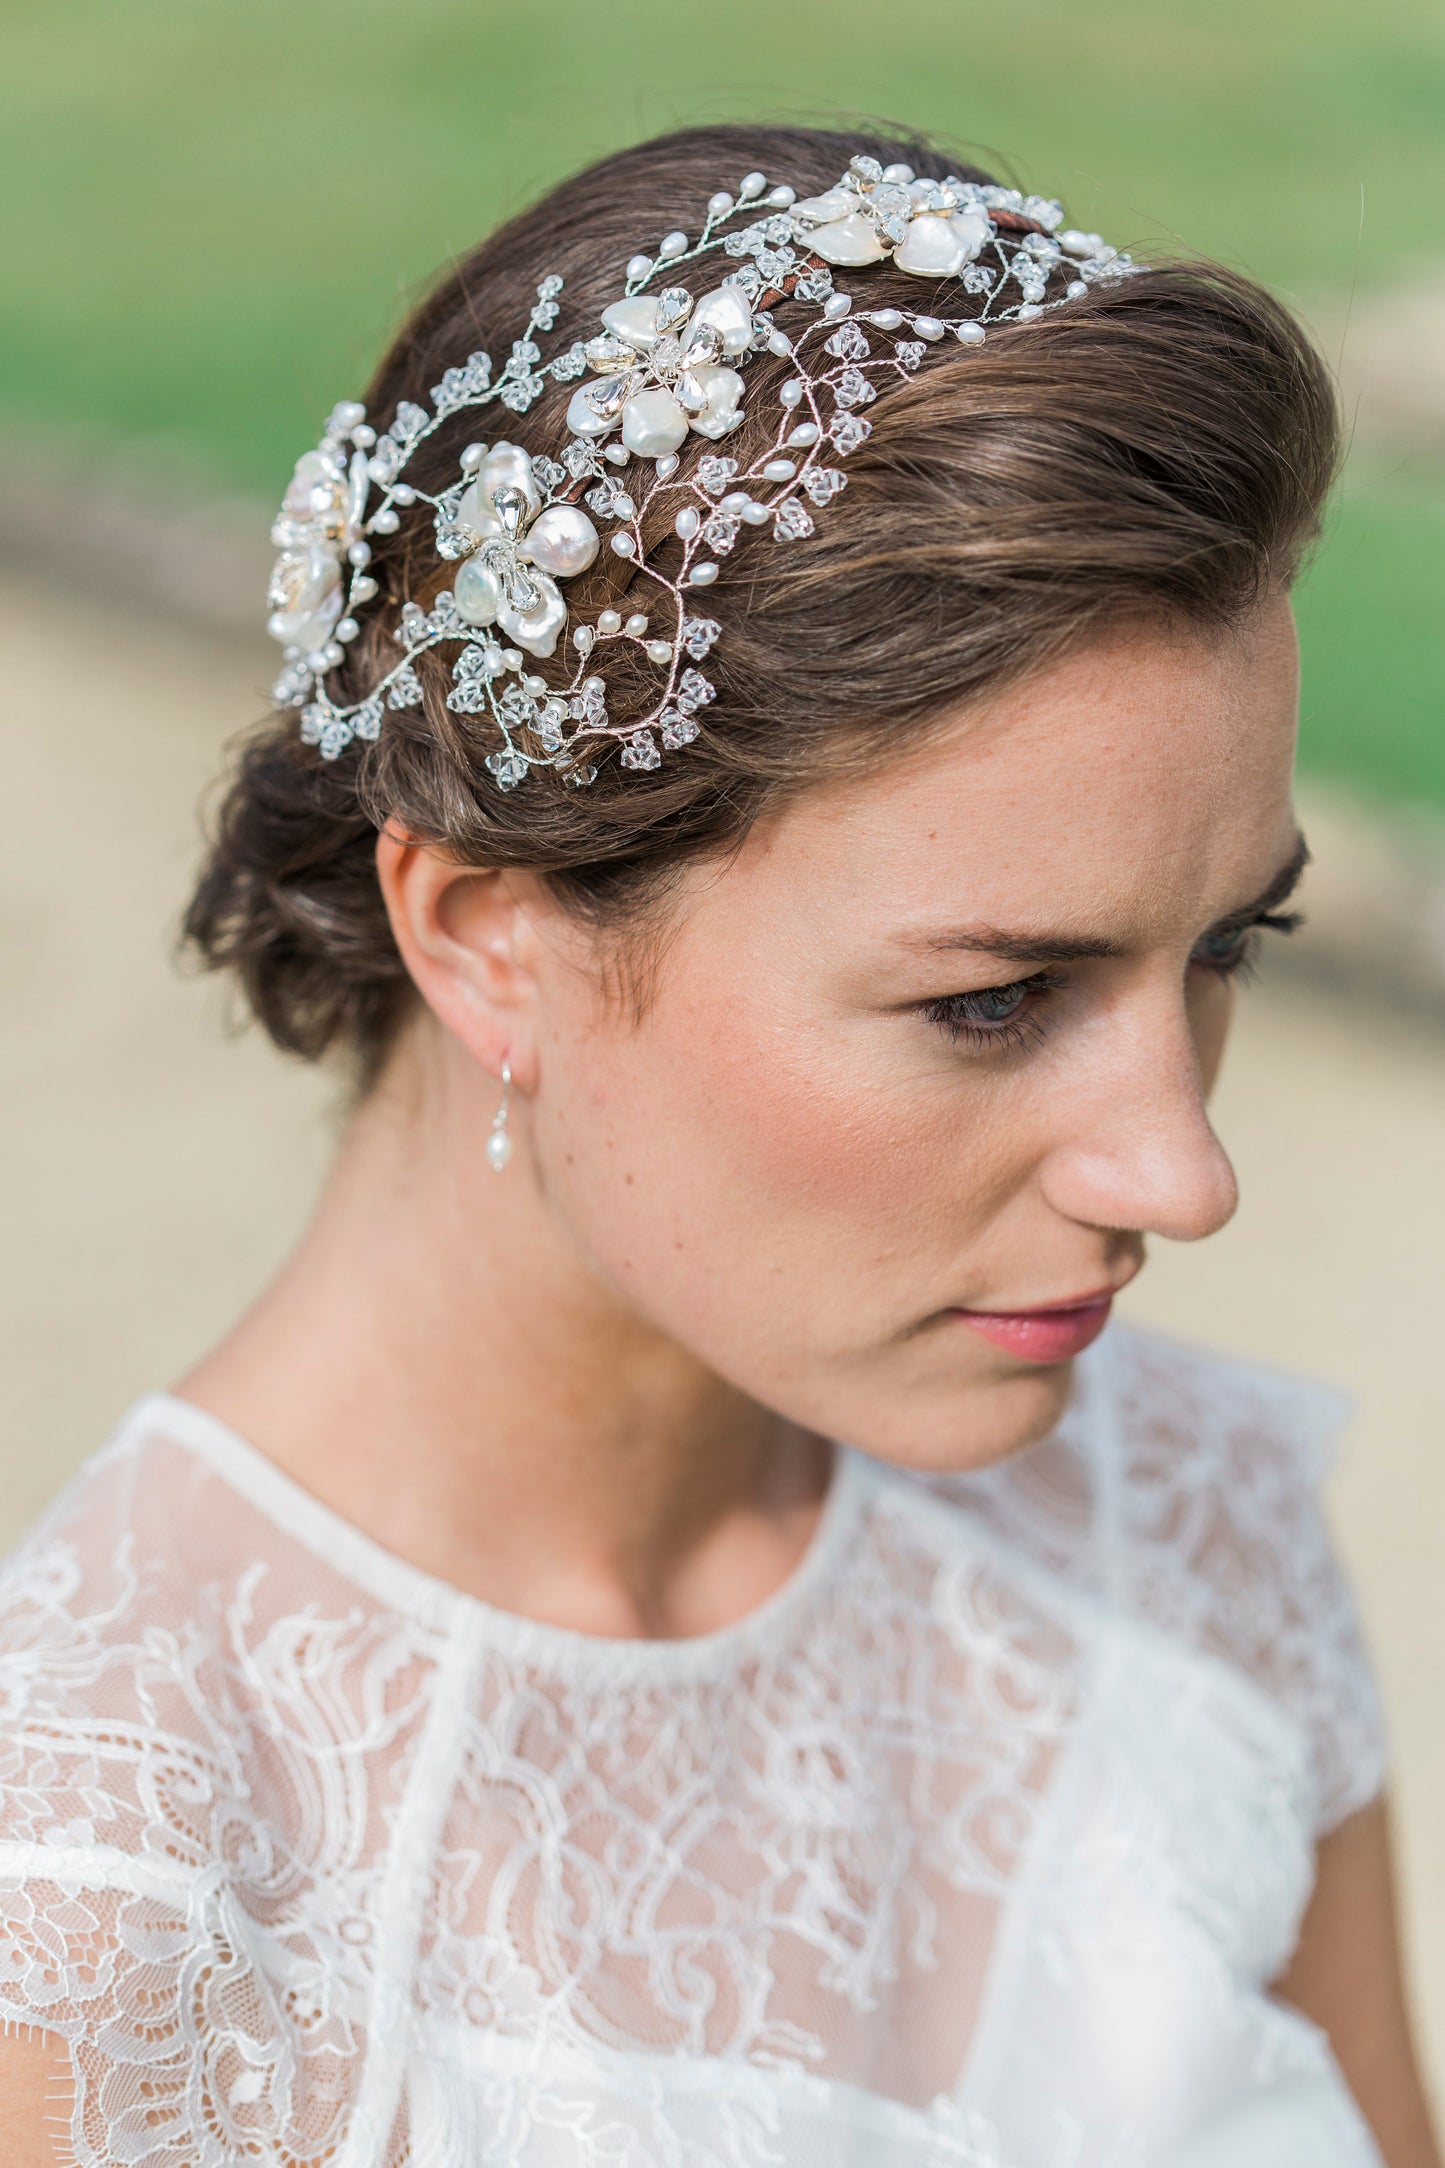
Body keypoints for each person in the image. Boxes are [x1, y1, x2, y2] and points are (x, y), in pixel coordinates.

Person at [0, 120, 1437, 2168]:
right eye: (994, 1001)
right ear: (490, 935)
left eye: (1226, 945)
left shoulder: (1184, 1535)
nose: (1181, 1176)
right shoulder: (106, 1911)